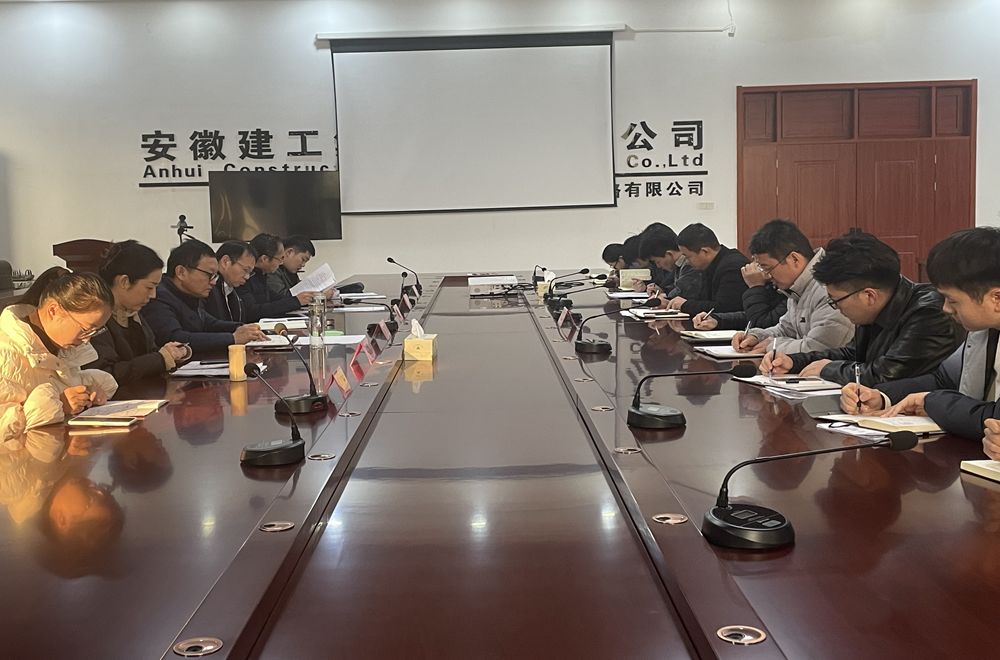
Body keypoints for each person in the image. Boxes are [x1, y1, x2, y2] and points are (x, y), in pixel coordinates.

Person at [840, 228, 1000, 440]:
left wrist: (931, 401)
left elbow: (994, 417)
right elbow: (942, 379)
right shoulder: (983, 331)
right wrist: (881, 396)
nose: (946, 308)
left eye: (953, 300)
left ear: (996, 298)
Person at [760, 232, 959, 386]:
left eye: (836, 300)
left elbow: (885, 375)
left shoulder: (929, 314)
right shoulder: (875, 310)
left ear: (869, 296)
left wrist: (827, 369)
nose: (836, 307)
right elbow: (851, 354)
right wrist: (794, 361)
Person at [0, 267, 118, 444]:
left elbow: (62, 393)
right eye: (85, 329)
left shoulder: (60, 346)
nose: (86, 340)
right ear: (53, 311)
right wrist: (59, 405)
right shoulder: (4, 353)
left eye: (95, 332)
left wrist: (86, 396)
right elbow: (4, 429)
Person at [726, 219, 853, 354]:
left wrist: (772, 347)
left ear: (794, 259)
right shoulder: (798, 286)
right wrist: (757, 337)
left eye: (768, 268)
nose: (767, 276)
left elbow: (820, 347)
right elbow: (786, 329)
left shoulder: (828, 286)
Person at [86, 240, 191, 386]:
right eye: (149, 287)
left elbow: (150, 353)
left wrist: (173, 353)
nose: (153, 295)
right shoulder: (94, 318)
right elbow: (105, 375)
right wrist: (161, 359)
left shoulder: (132, 313)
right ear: (124, 282)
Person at [141, 239, 265, 354]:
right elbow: (174, 338)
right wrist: (232, 338)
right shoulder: (158, 297)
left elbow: (207, 322)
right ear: (181, 272)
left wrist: (242, 327)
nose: (213, 282)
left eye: (215, 276)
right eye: (209, 275)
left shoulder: (188, 293)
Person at [667, 223, 749, 314]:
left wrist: (685, 305)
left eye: (688, 256)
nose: (687, 261)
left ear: (705, 252)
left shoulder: (732, 267)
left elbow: (725, 307)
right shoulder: (709, 265)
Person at [237, 233, 313, 322]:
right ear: (264, 259)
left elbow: (274, 297)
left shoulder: (261, 275)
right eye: (280, 259)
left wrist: (301, 300)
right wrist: (296, 301)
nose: (281, 263)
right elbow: (253, 311)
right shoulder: (245, 278)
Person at [690, 264, 787, 331]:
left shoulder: (790, 291)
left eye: (764, 265)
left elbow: (762, 323)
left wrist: (755, 287)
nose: (755, 268)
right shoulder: (774, 284)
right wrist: (717, 320)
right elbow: (751, 316)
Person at [638, 225, 703, 300]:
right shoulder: (678, 264)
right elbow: (677, 286)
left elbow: (682, 292)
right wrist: (662, 290)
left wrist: (665, 296)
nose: (658, 266)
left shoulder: (689, 264)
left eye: (657, 262)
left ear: (669, 254)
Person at [204, 240, 257, 323]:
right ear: (225, 262)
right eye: (245, 270)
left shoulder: (231, 289)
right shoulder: (206, 288)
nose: (247, 277)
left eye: (250, 272)